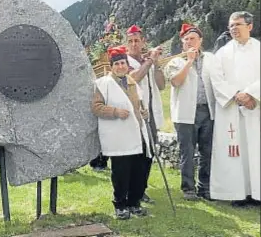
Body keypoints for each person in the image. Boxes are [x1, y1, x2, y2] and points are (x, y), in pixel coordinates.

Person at [91, 45, 151, 220]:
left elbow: (138, 105)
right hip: (118, 136)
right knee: (121, 174)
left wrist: (144, 112)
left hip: (137, 135)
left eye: (123, 63)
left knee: (139, 172)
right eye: (116, 64)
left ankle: (134, 203)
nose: (120, 66)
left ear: (127, 65)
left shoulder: (132, 82)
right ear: (111, 66)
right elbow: (96, 108)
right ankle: (120, 205)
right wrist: (115, 112)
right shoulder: (103, 84)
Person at [209, 11, 260, 206]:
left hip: (256, 108)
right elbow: (216, 79)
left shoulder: (259, 49)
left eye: (237, 24)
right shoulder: (222, 53)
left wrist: (252, 94)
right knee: (236, 151)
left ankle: (257, 193)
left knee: (256, 151)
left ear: (250, 26)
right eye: (231, 26)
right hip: (232, 109)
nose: (233, 29)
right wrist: (237, 95)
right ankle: (238, 193)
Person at [164, 24, 216, 201]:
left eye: (193, 38)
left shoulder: (210, 59)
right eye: (186, 39)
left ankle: (205, 187)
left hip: (207, 111)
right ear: (182, 43)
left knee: (207, 151)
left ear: (201, 41)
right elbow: (176, 82)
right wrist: (189, 61)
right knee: (187, 151)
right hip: (186, 113)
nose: (189, 42)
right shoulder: (175, 62)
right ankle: (188, 188)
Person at [126, 25, 165, 204]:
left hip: (151, 114)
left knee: (149, 155)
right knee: (135, 155)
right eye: (130, 41)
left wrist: (156, 66)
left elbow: (162, 85)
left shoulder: (148, 61)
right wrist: (149, 61)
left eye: (137, 40)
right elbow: (133, 78)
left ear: (143, 42)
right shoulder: (123, 61)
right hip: (134, 116)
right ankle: (130, 191)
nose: (134, 44)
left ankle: (141, 190)